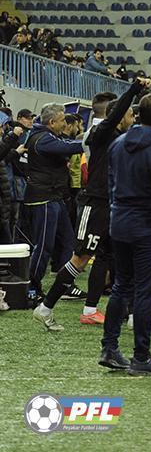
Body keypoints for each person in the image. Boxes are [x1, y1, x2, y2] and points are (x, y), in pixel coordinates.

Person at [33, 81, 149, 332]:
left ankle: (100, 311)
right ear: (119, 116)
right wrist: (135, 89)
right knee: (81, 258)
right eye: (130, 115)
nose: (132, 119)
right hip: (95, 205)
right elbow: (115, 114)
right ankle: (45, 307)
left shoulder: (119, 137)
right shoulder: (102, 133)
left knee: (113, 258)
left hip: (113, 205)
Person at [99, 93, 151, 375]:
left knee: (122, 286)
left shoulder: (118, 143)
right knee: (146, 290)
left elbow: (111, 183)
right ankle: (141, 357)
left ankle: (109, 349)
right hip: (147, 227)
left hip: (120, 221)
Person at [23, 104, 85, 310]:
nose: (65, 124)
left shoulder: (48, 136)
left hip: (54, 197)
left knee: (68, 241)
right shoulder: (43, 139)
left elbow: (67, 144)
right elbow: (69, 148)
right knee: (44, 246)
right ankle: (32, 286)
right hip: (43, 198)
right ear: (51, 122)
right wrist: (92, 139)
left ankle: (64, 284)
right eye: (62, 120)